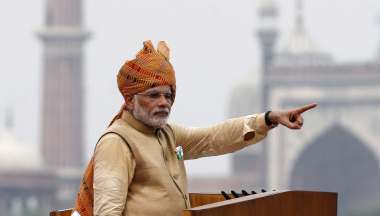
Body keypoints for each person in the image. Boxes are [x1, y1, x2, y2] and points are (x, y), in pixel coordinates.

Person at [71, 40, 316, 216]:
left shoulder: (167, 135)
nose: (163, 103)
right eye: (153, 95)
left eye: (168, 95)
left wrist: (270, 117)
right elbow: (108, 212)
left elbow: (215, 137)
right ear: (129, 100)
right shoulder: (117, 142)